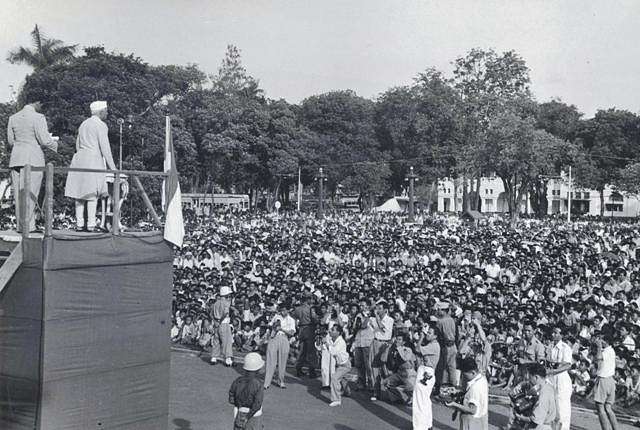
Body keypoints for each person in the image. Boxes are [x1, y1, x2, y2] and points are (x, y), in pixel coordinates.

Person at [6, 98, 58, 232]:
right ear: (37, 101)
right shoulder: (38, 117)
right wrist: (56, 144)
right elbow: (44, 140)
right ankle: (29, 226)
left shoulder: (13, 117)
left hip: (16, 158)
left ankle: (20, 226)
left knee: (19, 194)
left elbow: (11, 141)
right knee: (31, 193)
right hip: (32, 158)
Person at [64, 101, 117, 231]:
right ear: (101, 111)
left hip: (79, 159)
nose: (107, 113)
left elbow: (77, 145)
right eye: (106, 110)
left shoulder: (83, 124)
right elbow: (105, 148)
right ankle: (91, 225)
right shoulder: (101, 125)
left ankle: (79, 224)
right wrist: (114, 168)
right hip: (93, 160)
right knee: (92, 194)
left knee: (79, 194)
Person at [444, 356, 488, 430]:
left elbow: (472, 410)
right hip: (481, 419)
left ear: (473, 372)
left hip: (472, 422)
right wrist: (458, 391)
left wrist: (454, 404)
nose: (464, 377)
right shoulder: (482, 378)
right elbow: (471, 393)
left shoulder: (475, 388)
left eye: (465, 375)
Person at [514, 363, 557, 430]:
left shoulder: (543, 395)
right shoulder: (549, 387)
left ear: (536, 377)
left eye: (530, 377)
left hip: (541, 427)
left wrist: (520, 417)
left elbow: (535, 420)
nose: (529, 380)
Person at [229, 352, 264, 430]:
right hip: (254, 415)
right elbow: (257, 404)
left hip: (239, 411)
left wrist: (239, 405)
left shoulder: (238, 381)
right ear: (258, 369)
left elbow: (231, 398)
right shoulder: (258, 384)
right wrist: (248, 416)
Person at [412, 327, 439, 430]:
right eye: (427, 332)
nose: (427, 334)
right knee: (425, 400)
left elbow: (417, 349)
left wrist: (421, 337)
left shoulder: (434, 345)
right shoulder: (432, 345)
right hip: (427, 371)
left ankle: (420, 427)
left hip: (426, 372)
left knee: (419, 400)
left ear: (435, 336)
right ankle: (427, 424)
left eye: (429, 333)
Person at [263, 303, 295, 389]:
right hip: (274, 337)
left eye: (284, 310)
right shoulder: (276, 317)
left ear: (288, 310)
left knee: (282, 361)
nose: (282, 312)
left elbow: (292, 333)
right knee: (270, 360)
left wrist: (281, 329)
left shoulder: (291, 320)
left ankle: (281, 381)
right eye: (281, 310)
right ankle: (266, 382)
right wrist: (273, 327)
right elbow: (269, 326)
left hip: (284, 338)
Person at [546, 327, 573, 430]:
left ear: (562, 335)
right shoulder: (550, 346)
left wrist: (553, 371)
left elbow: (567, 365)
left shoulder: (565, 348)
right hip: (551, 378)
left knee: (562, 408)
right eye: (552, 332)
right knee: (551, 405)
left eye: (556, 333)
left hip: (562, 380)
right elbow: (548, 362)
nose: (553, 335)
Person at [593, 331, 620, 430]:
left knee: (600, 409)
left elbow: (598, 358)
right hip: (610, 381)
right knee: (608, 408)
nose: (600, 340)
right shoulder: (611, 351)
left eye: (601, 339)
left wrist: (599, 347)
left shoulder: (606, 351)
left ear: (606, 341)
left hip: (604, 380)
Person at [369, 300, 394, 401]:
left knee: (385, 369)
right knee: (374, 367)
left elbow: (382, 328)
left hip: (384, 344)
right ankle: (376, 392)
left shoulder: (389, 320)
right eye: (377, 308)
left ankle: (392, 394)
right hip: (375, 342)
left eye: (380, 309)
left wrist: (377, 318)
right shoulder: (374, 319)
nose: (377, 311)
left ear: (385, 310)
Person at [325, 324, 351, 407]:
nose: (330, 331)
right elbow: (325, 348)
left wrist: (327, 344)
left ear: (338, 332)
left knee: (335, 378)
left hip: (345, 365)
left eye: (333, 330)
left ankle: (336, 400)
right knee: (342, 379)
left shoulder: (341, 341)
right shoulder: (333, 339)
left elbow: (334, 352)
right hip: (340, 364)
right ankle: (347, 392)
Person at [293, 292, 318, 378]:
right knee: (311, 351)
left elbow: (295, 320)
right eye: (310, 299)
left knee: (302, 351)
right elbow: (314, 319)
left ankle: (298, 369)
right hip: (309, 329)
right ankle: (312, 371)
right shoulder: (310, 309)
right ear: (308, 300)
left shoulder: (297, 309)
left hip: (301, 329)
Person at [435, 302, 458, 393]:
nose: (438, 311)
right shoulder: (451, 319)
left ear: (443, 310)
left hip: (445, 345)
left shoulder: (441, 321)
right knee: (452, 367)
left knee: (441, 367)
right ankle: (453, 387)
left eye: (439, 309)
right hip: (453, 345)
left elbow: (442, 335)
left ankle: (439, 387)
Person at [211, 286, 234, 367]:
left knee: (216, 340)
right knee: (226, 341)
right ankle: (228, 359)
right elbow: (225, 313)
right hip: (223, 323)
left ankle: (214, 357)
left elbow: (211, 314)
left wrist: (215, 321)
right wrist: (220, 321)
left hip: (216, 323)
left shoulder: (216, 303)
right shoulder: (226, 303)